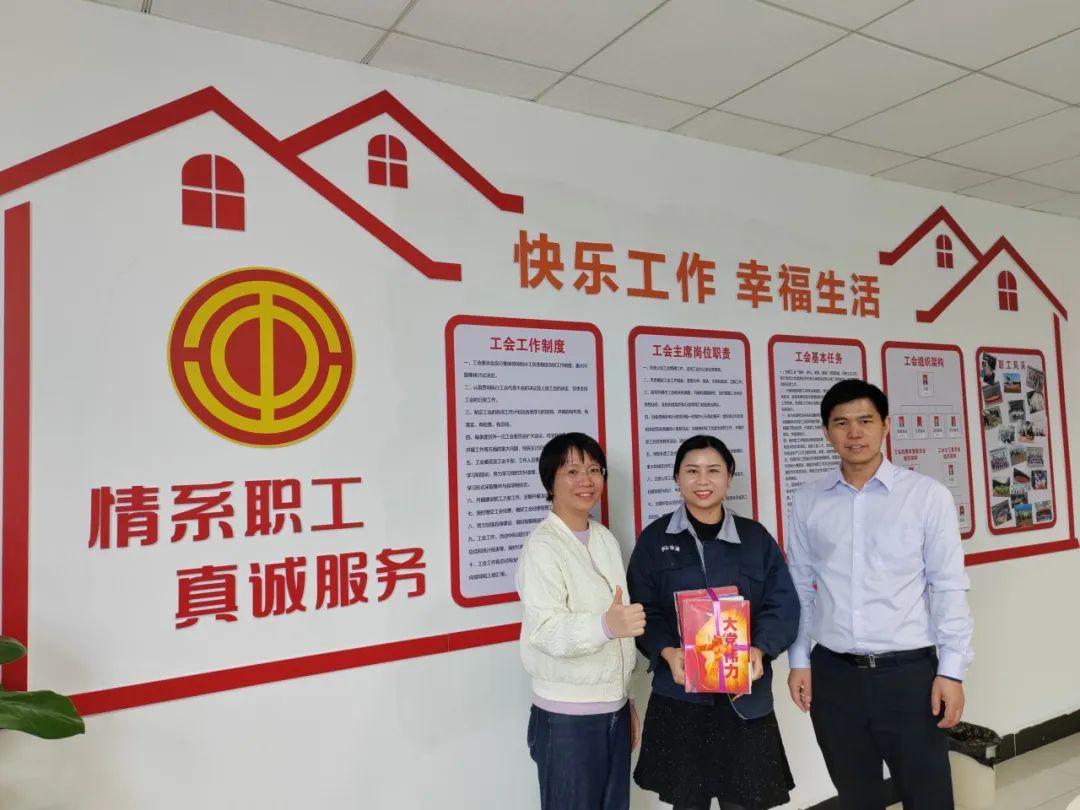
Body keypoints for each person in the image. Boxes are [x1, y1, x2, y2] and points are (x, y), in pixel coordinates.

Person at [786, 379, 974, 810]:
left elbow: (947, 585)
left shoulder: (926, 497)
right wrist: (799, 660)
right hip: (834, 676)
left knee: (928, 796)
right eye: (841, 423)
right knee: (855, 796)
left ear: (886, 425)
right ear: (826, 432)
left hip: (908, 677)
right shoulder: (809, 500)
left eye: (865, 420)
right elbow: (799, 584)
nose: (854, 433)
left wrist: (952, 670)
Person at [627, 435, 799, 810]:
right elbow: (644, 609)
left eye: (713, 470)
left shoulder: (755, 539)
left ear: (729, 477)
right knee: (688, 802)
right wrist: (666, 651)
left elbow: (782, 604)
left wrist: (760, 649)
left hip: (744, 699)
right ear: (677, 477)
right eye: (692, 471)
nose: (702, 480)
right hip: (681, 700)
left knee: (745, 803)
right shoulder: (655, 540)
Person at [517, 432, 644, 810]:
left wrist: (625, 698)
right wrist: (604, 626)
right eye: (572, 471)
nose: (586, 480)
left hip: (613, 710)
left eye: (594, 470)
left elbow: (620, 626)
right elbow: (545, 631)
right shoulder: (542, 546)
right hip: (567, 718)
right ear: (550, 482)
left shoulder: (604, 539)